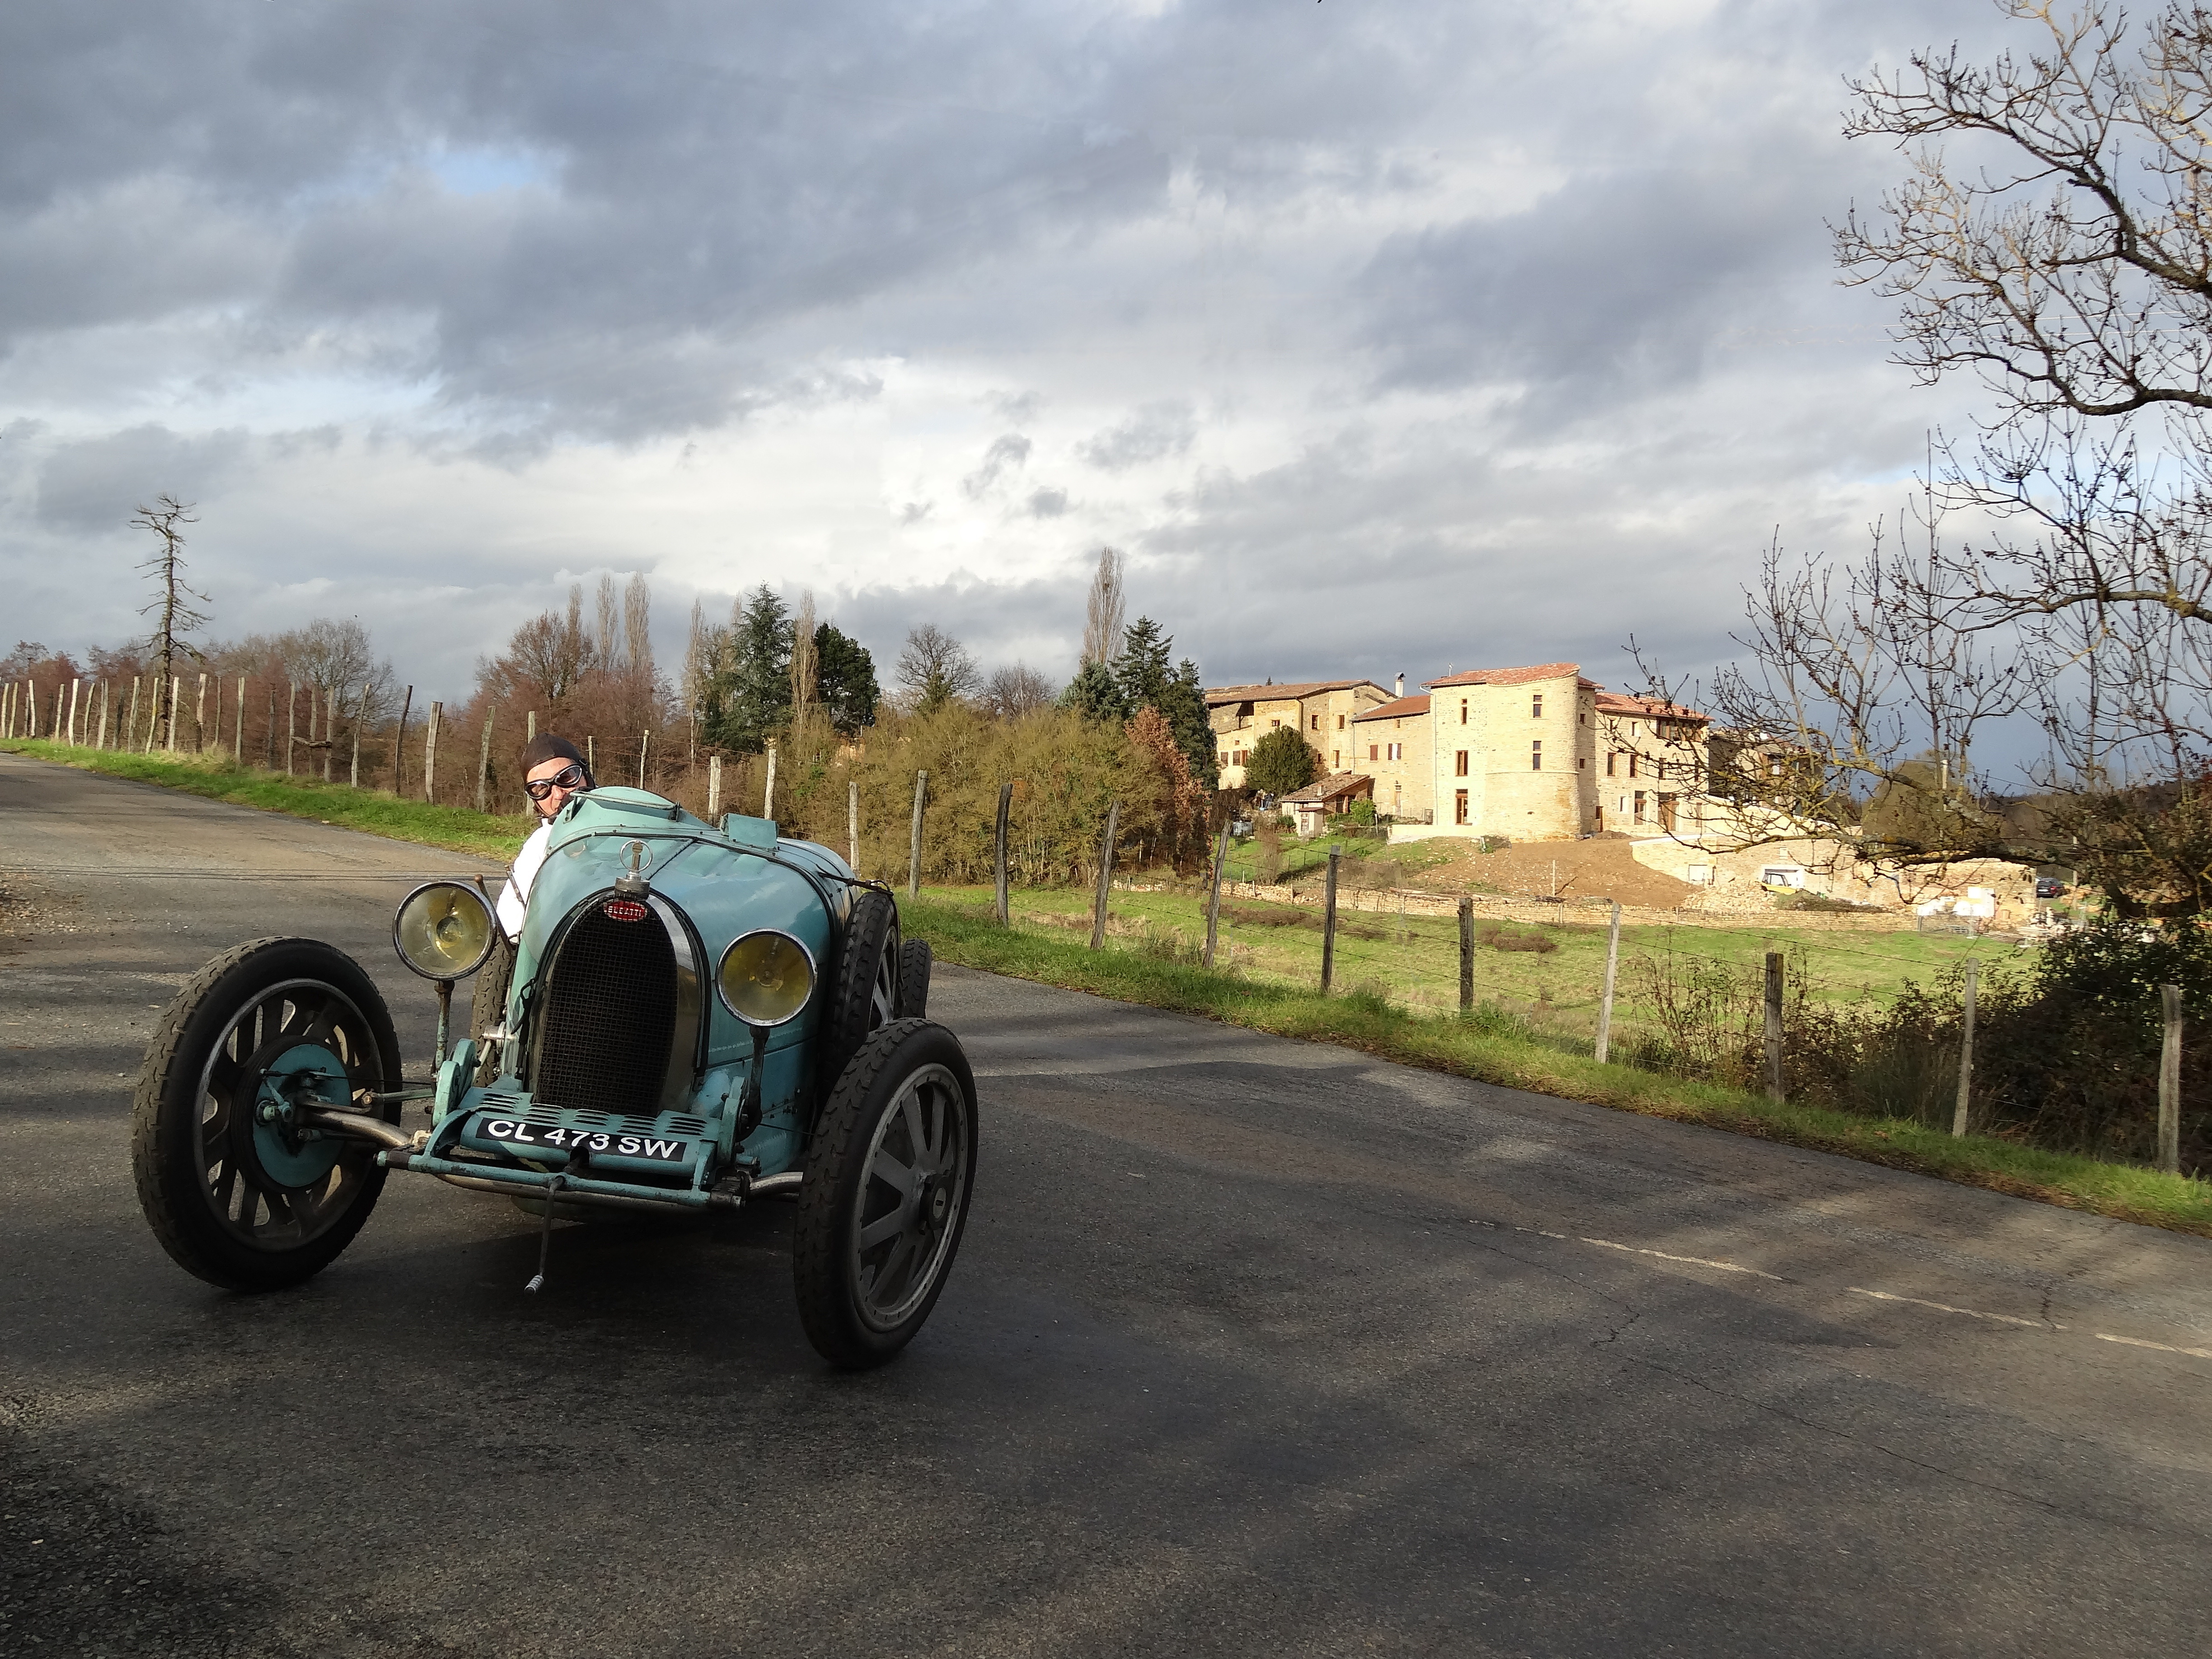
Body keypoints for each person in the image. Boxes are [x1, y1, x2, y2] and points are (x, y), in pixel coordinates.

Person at [495, 734, 594, 941]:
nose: (558, 794)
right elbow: (510, 924)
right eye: (541, 789)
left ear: (586, 775)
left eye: (567, 778)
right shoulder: (538, 846)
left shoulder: (632, 823)